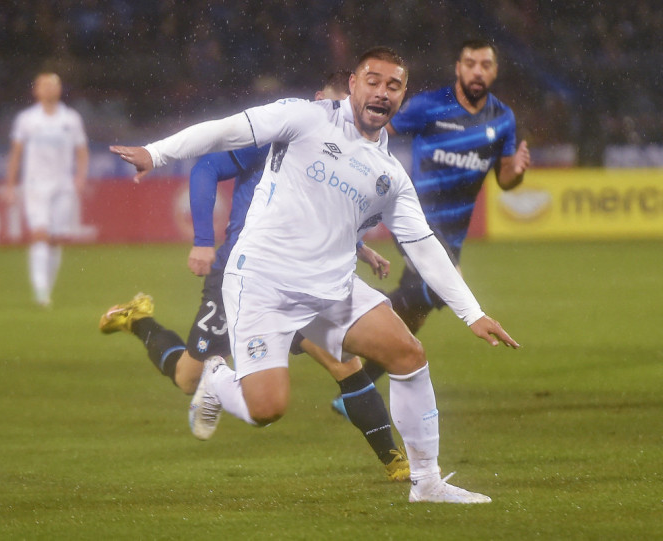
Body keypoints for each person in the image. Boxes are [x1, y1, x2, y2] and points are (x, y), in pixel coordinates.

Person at [110, 46, 519, 504]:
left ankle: (427, 484)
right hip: (262, 284)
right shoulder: (304, 118)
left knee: (408, 354)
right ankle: (216, 379)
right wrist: (156, 153)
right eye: (373, 80)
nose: (382, 92)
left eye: (394, 86)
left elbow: (422, 244)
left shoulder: (390, 175)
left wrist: (472, 313)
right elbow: (225, 132)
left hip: (331, 291)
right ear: (353, 85)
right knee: (267, 410)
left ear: (403, 97)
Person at [100, 72, 411, 482]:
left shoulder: (344, 153)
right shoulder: (279, 134)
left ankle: (396, 462)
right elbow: (205, 169)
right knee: (189, 377)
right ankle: (139, 320)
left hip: (302, 282)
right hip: (246, 275)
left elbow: (323, 217)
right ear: (322, 100)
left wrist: (359, 248)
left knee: (344, 363)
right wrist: (203, 241)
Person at [329, 38, 532, 415]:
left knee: (419, 307)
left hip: (454, 232)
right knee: (435, 289)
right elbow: (373, 128)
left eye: (485, 64)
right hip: (415, 220)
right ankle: (347, 330)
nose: (477, 71)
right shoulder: (428, 106)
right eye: (470, 63)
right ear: (458, 67)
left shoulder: (502, 118)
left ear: (495, 70)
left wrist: (516, 173)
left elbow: (504, 180)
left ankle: (356, 381)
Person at [4, 73, 89, 307]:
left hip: (63, 185)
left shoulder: (71, 119)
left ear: (60, 89)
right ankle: (40, 291)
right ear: (36, 90)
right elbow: (16, 153)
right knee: (39, 234)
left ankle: (46, 288)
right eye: (45, 85)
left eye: (54, 85)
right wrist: (10, 185)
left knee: (55, 239)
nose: (50, 89)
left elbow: (82, 151)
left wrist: (80, 178)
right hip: (35, 184)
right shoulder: (27, 119)